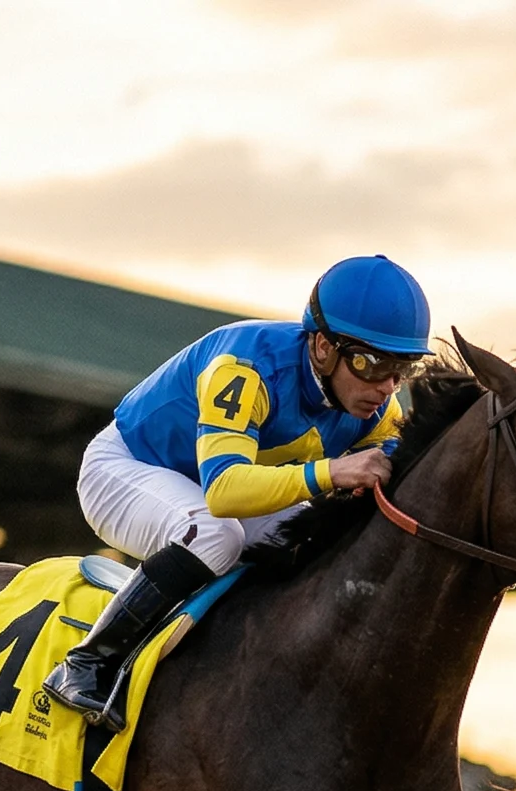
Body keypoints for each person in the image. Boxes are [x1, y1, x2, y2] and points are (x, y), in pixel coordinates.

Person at [43, 254, 433, 731]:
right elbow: (225, 492)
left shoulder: (377, 406)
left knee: (309, 542)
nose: (386, 386)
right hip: (126, 469)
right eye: (371, 363)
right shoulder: (247, 368)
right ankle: (89, 662)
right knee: (215, 535)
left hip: (209, 490)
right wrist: (331, 473)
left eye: (402, 369)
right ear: (324, 347)